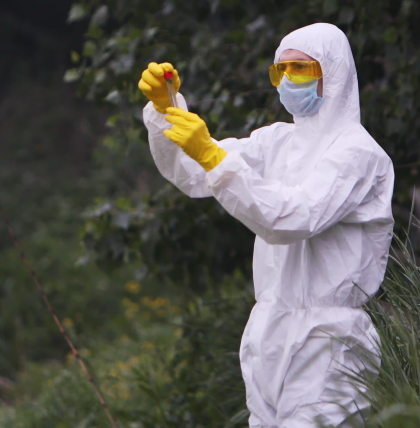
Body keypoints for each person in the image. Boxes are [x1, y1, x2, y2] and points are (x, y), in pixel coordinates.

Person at [137, 23, 394, 427]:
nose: (289, 79)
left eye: (301, 69)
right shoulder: (277, 142)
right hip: (268, 335)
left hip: (329, 341)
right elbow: (194, 174)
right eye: (281, 70)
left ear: (335, 72)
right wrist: (166, 109)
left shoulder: (359, 155)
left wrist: (211, 155)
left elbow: (293, 217)